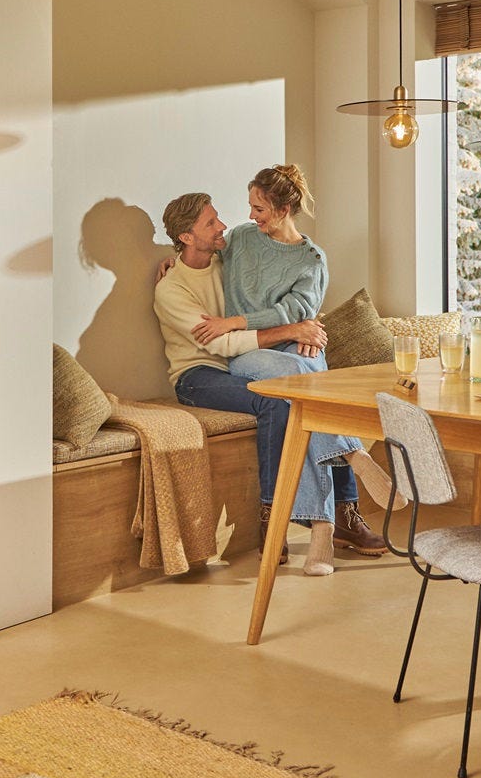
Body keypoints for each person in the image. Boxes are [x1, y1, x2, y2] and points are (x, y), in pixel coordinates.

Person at [154, 189, 380, 576]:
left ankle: (338, 517)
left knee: (309, 392)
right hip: (199, 376)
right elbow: (222, 341)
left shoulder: (227, 261)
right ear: (187, 237)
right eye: (211, 223)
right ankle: (275, 517)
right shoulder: (171, 289)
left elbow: (262, 298)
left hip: (244, 363)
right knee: (278, 401)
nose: (223, 225)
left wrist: (305, 326)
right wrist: (293, 329)